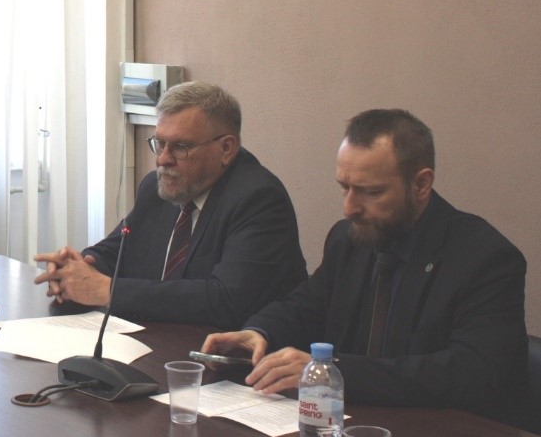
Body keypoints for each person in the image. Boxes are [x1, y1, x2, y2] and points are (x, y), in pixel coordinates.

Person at [200, 109, 529, 425]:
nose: (349, 208)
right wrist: (259, 332)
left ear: (421, 184)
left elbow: (469, 373)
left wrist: (332, 372)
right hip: (350, 421)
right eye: (345, 187)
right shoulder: (349, 239)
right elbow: (305, 306)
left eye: (370, 192)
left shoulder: (485, 258)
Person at [33, 81, 306, 326]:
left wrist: (108, 290)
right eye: (160, 143)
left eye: (180, 147)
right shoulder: (157, 188)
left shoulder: (258, 199)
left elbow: (226, 300)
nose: (163, 159)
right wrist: (77, 268)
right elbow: (117, 252)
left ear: (226, 148)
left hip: (237, 357)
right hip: (159, 344)